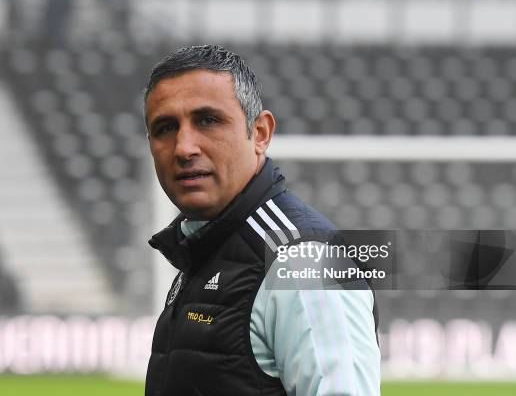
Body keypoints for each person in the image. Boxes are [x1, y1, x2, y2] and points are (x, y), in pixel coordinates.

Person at [143, 44, 381, 395]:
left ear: (260, 133)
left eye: (207, 120)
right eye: (165, 128)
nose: (183, 147)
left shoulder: (303, 261)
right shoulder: (207, 247)